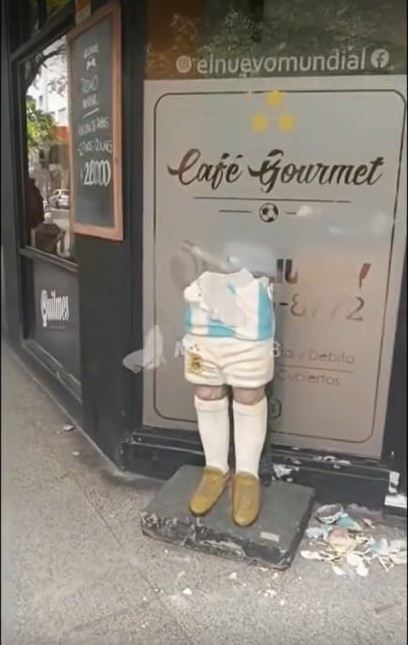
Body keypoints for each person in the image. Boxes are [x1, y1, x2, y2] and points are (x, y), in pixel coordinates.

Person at [180, 244, 275, 527]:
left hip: (249, 313)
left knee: (249, 392)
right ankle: (215, 470)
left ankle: (247, 475)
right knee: (206, 391)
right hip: (202, 313)